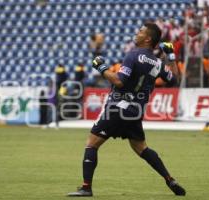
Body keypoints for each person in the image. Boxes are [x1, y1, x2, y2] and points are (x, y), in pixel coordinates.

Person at [68, 22, 186, 197]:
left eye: (140, 31)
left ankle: (86, 187)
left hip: (118, 107)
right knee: (142, 148)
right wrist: (172, 57)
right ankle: (169, 179)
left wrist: (101, 67)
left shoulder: (133, 55)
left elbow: (119, 81)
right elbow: (174, 79)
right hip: (135, 111)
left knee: (91, 144)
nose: (136, 33)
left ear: (147, 39)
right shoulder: (158, 63)